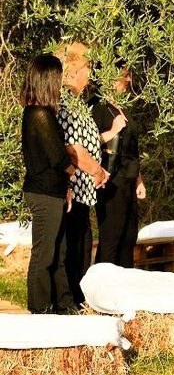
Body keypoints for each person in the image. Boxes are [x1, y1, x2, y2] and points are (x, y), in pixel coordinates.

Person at [21, 54, 76, 313]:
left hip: (53, 191)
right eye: (58, 77)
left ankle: (63, 305)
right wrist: (75, 171)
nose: (60, 83)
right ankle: (39, 309)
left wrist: (66, 188)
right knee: (44, 255)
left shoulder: (44, 113)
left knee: (58, 253)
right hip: (43, 193)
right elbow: (58, 157)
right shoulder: (38, 114)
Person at [56, 42, 109, 306]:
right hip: (72, 190)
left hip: (84, 191)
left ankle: (78, 302)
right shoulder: (65, 103)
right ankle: (68, 303)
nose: (91, 73)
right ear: (75, 70)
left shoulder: (77, 103)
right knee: (74, 249)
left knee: (83, 247)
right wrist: (96, 170)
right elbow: (73, 148)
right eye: (88, 67)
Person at [90, 67, 146, 268]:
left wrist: (139, 179)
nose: (129, 80)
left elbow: (131, 147)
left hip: (129, 178)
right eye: (125, 75)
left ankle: (124, 281)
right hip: (109, 179)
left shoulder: (123, 107)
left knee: (129, 235)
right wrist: (113, 129)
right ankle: (102, 282)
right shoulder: (97, 107)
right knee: (112, 236)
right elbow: (88, 142)